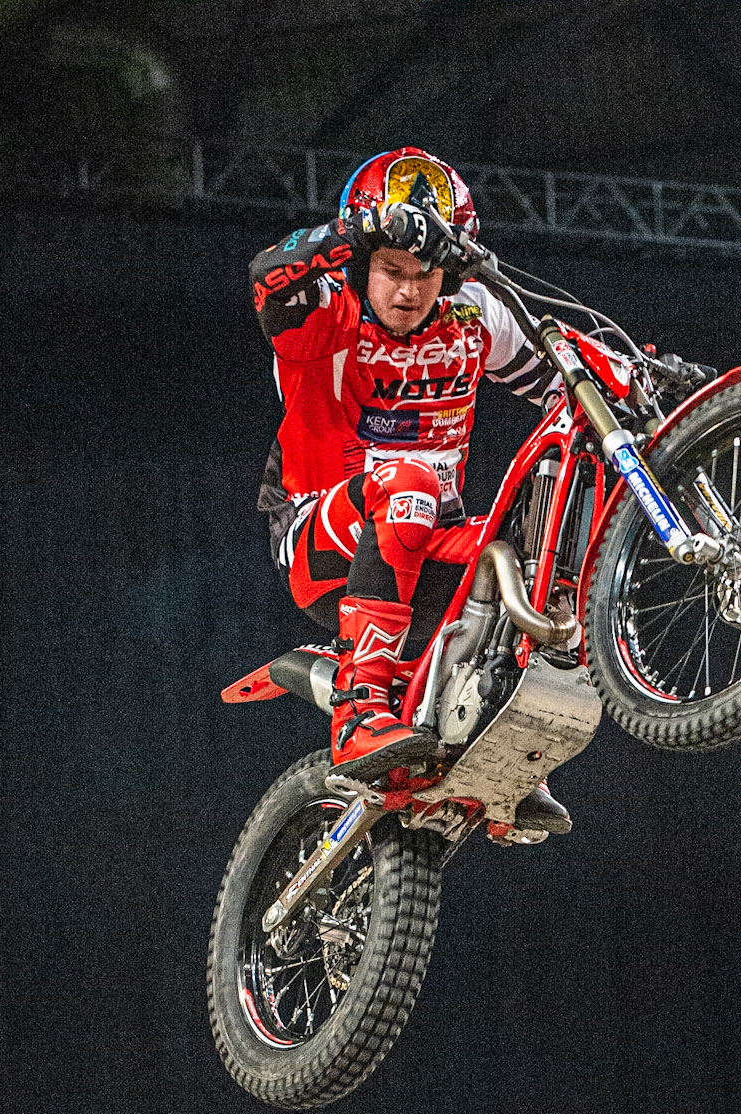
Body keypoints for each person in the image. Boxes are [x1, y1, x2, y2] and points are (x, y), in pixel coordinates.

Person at [249, 146, 570, 832]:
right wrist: (358, 231)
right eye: (392, 271)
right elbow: (268, 277)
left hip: (426, 546)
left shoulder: (474, 314)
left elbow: (561, 380)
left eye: (425, 273)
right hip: (318, 534)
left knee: (534, 549)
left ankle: (506, 756)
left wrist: (646, 377)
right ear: (366, 264)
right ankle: (359, 711)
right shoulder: (324, 314)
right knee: (408, 476)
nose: (408, 290)